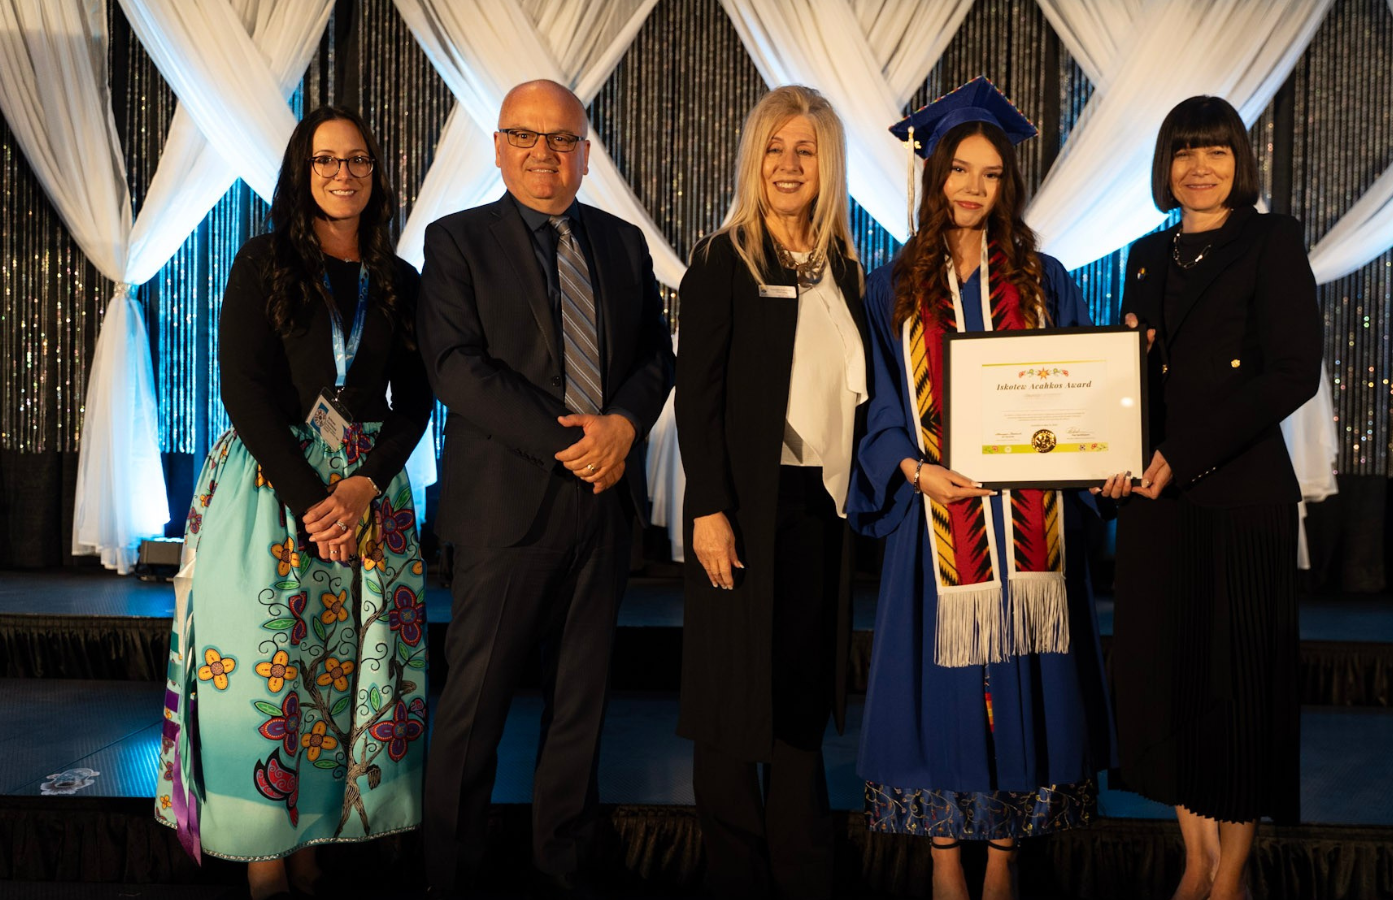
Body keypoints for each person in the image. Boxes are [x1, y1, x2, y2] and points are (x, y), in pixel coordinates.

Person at [155, 106, 434, 900]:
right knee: (269, 670)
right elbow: (241, 388)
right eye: (325, 160)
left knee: (344, 678)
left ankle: (315, 845)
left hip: (368, 496)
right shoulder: (263, 262)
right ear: (301, 172)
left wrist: (363, 485)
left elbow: (416, 402)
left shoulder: (399, 280)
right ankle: (264, 861)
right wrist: (316, 501)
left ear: (376, 174)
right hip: (269, 489)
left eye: (358, 159)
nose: (344, 173)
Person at [848, 77, 1116, 900]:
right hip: (938, 519)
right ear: (935, 176)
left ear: (1008, 185)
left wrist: (1108, 432)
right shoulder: (892, 286)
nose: (973, 187)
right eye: (959, 170)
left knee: (1024, 678)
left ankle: (1003, 856)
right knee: (941, 688)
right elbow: (874, 400)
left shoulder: (1044, 279)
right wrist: (913, 469)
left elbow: (1077, 391)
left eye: (991, 174)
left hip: (1031, 523)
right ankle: (943, 860)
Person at [417, 79, 674, 897]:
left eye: (561, 139)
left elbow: (656, 356)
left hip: (603, 507)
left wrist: (623, 425)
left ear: (585, 155)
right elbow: (456, 369)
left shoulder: (622, 242)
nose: (543, 153)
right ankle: (450, 875)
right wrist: (578, 443)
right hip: (506, 511)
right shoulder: (455, 240)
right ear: (498, 148)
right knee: (473, 711)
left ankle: (564, 865)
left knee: (579, 708)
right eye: (525, 136)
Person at [1111, 95, 1321, 900]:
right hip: (1155, 505)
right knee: (1169, 682)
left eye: (1216, 151)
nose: (1199, 167)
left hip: (1239, 497)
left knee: (1235, 688)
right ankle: (1194, 857)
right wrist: (1112, 454)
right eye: (1184, 151)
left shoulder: (1272, 240)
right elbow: (1128, 379)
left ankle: (1231, 873)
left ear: (1240, 162)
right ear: (1165, 165)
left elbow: (1293, 373)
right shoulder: (1145, 254)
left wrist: (1181, 454)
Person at [675, 84, 868, 900]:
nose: (789, 165)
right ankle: (735, 876)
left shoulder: (845, 269)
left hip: (818, 512)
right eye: (775, 149)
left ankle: (803, 870)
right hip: (741, 509)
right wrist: (707, 508)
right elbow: (697, 397)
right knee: (728, 702)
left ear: (829, 164)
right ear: (754, 160)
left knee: (797, 696)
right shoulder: (722, 260)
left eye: (806, 150)